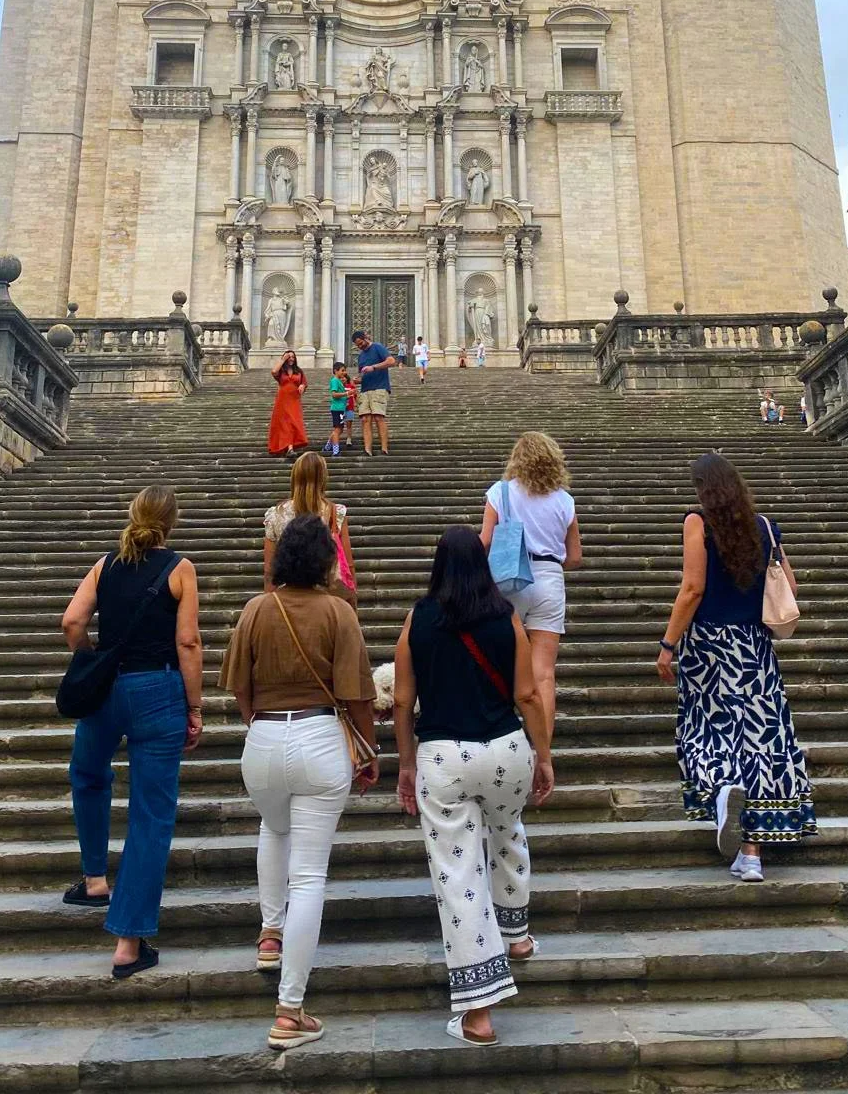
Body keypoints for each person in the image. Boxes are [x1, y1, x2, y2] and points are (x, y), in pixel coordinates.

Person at [221, 514, 378, 1050]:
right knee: (309, 876)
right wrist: (368, 750)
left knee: (273, 824)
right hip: (317, 738)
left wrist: (260, 725)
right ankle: (290, 1009)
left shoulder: (255, 609)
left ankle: (270, 933)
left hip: (262, 738)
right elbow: (359, 694)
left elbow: (238, 687)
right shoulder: (338, 612)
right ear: (325, 561)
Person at [394, 527, 554, 1047]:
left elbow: (400, 699)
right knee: (507, 830)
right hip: (506, 748)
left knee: (457, 872)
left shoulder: (418, 619)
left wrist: (404, 764)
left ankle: (479, 1010)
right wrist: (544, 754)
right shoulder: (506, 618)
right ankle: (517, 936)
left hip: (444, 756)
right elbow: (528, 694)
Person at [60, 485, 203, 978]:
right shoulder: (180, 569)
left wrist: (91, 656)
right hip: (159, 689)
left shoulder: (105, 564)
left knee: (89, 773)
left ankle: (95, 877)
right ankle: (128, 941)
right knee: (150, 814)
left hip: (108, 688)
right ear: (172, 522)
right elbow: (187, 641)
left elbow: (72, 621)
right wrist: (196, 705)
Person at [656, 452, 817, 882]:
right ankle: (751, 854)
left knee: (705, 729)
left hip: (708, 646)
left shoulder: (697, 522)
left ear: (703, 489)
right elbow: (790, 586)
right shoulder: (764, 526)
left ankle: (723, 788)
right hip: (755, 648)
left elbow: (692, 588)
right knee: (763, 740)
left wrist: (668, 644)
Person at [479, 433, 581, 745]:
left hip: (509, 577)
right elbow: (575, 557)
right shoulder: (564, 500)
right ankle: (542, 748)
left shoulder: (501, 492)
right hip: (550, 577)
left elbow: (484, 540)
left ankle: (496, 737)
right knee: (544, 674)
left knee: (494, 660)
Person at [263, 451, 357, 604]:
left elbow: (269, 570)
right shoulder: (336, 512)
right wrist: (352, 602)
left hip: (287, 599)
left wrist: (268, 602)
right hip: (327, 598)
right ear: (322, 478)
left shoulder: (276, 514)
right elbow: (348, 564)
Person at [352, 329, 396, 456]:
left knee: (378, 417)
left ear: (366, 338)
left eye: (361, 343)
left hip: (380, 387)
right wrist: (357, 380)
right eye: (358, 345)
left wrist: (374, 367)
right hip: (365, 389)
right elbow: (363, 375)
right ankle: (367, 449)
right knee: (365, 419)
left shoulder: (378, 347)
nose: (360, 346)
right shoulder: (361, 356)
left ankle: (384, 448)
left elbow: (391, 361)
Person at [268, 350, 308, 459]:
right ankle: (289, 448)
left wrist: (302, 386)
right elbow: (273, 371)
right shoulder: (281, 371)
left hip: (294, 400)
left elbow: (304, 382)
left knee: (293, 422)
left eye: (293, 357)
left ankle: (289, 446)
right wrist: (282, 360)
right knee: (285, 423)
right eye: (289, 357)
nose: (291, 359)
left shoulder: (299, 371)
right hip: (282, 400)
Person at [326, 362, 347, 457]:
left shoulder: (338, 381)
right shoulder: (334, 381)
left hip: (341, 409)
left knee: (339, 429)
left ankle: (328, 446)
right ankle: (335, 450)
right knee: (338, 429)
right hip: (337, 409)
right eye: (342, 370)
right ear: (336, 370)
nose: (344, 372)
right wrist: (346, 394)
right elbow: (334, 394)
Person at [341, 365, 358, 449]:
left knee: (349, 424)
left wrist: (357, 404)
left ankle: (349, 438)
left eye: (344, 377)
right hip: (340, 408)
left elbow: (355, 395)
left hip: (350, 408)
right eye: (341, 378)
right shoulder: (338, 387)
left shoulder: (351, 386)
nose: (343, 379)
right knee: (339, 425)